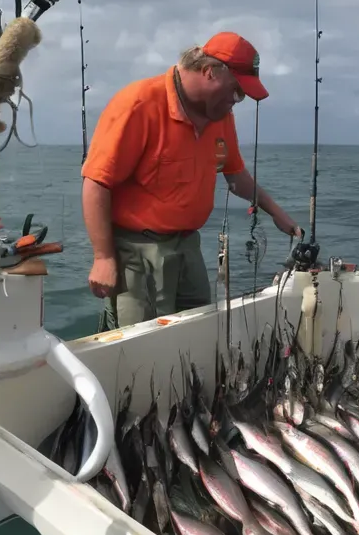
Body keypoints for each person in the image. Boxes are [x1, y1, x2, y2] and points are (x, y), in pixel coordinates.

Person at [80, 31, 303, 331]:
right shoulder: (138, 104)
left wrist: (277, 213)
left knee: (196, 334)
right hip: (137, 251)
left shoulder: (219, 115)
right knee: (141, 344)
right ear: (210, 72)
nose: (237, 101)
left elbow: (235, 176)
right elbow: (96, 183)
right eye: (236, 90)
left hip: (188, 246)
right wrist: (103, 258)